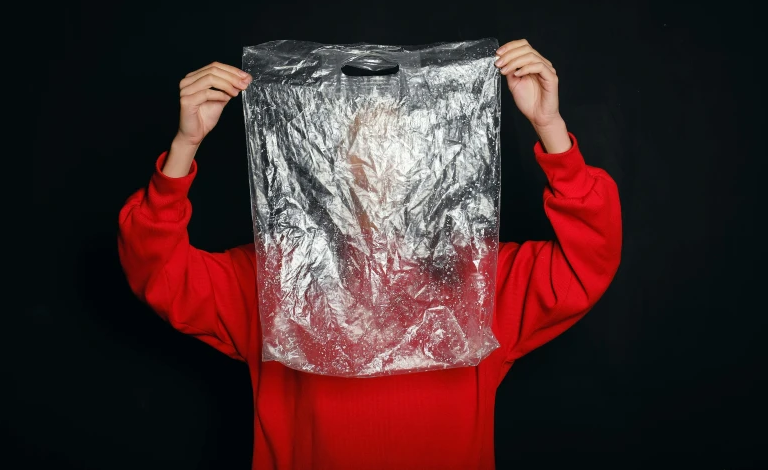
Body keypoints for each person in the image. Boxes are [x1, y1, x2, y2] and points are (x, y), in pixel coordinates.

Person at [118, 39, 622, 470]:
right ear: (325, 166)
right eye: (359, 147)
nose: (380, 167)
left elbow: (587, 263)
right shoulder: (278, 282)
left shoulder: (479, 281)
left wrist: (551, 129)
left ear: (433, 162)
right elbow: (157, 272)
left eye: (398, 145)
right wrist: (185, 146)